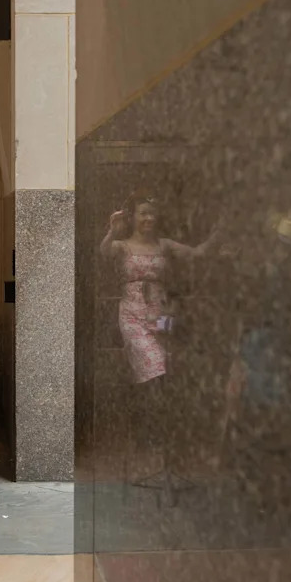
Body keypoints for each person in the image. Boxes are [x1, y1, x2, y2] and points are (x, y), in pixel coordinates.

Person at [98, 191, 218, 503]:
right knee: (155, 370)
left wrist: (220, 234)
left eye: (152, 214)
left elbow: (197, 254)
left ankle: (165, 442)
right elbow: (104, 252)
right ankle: (153, 430)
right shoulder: (123, 246)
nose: (148, 219)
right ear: (133, 217)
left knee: (169, 375)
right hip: (134, 316)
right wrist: (111, 229)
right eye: (142, 214)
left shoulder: (164, 245)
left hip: (161, 317)